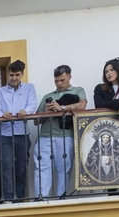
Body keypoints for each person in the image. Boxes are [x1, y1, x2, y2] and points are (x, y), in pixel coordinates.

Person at [34, 64, 86, 198]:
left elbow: (82, 106)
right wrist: (46, 112)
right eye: (56, 81)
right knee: (42, 167)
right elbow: (36, 121)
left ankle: (60, 197)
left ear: (69, 77)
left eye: (62, 80)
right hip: (45, 136)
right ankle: (41, 197)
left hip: (65, 135)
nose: (59, 83)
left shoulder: (78, 90)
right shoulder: (48, 95)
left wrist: (61, 107)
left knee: (64, 168)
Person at [0, 61, 37, 202]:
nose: (14, 78)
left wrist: (26, 111)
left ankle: (20, 199)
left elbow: (32, 105)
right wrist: (2, 114)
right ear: (8, 75)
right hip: (3, 135)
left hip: (22, 133)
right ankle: (8, 199)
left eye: (17, 75)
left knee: (21, 168)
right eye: (11, 75)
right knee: (6, 166)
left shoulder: (29, 88)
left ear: (22, 74)